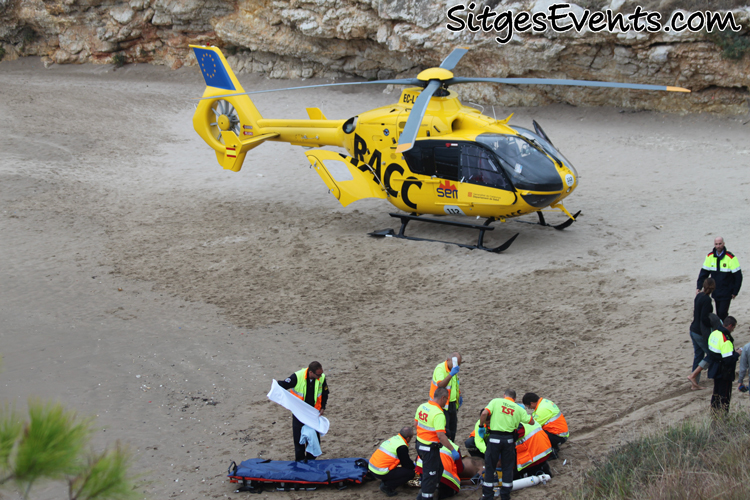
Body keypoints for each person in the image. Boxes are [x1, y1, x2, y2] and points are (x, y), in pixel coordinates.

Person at [479, 389, 533, 500]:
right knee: (507, 468)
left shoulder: (495, 401)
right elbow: (531, 421)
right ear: (515, 399)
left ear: (504, 395)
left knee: (490, 467)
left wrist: (480, 425)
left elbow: (484, 413)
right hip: (509, 440)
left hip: (494, 439)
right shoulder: (518, 408)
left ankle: (487, 496)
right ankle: (505, 495)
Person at [277, 361, 329, 461]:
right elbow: (284, 384)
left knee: (314, 440)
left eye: (321, 373)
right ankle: (300, 462)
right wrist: (275, 384)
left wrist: (323, 407)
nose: (320, 376)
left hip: (313, 413)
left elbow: (325, 393)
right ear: (311, 372)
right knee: (299, 440)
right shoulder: (297, 377)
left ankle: (310, 461)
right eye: (318, 374)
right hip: (299, 414)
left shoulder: (321, 378)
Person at [414, 387, 458, 500]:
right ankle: (426, 496)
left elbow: (416, 424)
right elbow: (441, 436)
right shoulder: (438, 413)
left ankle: (430, 490)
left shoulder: (422, 406)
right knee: (430, 476)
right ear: (442, 398)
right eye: (446, 399)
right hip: (430, 449)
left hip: (420, 444)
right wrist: (452, 449)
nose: (446, 402)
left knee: (439, 469)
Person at [697, 237, 742, 320]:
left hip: (727, 291)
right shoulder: (710, 256)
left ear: (723, 244)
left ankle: (723, 329)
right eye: (716, 244)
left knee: (722, 312)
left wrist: (735, 291)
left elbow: (738, 276)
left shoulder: (730, 257)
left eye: (720, 244)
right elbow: (704, 273)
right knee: (719, 313)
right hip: (715, 291)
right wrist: (699, 287)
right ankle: (723, 328)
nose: (718, 246)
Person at [368, 427, 416, 497]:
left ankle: (386, 480)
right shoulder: (402, 446)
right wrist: (414, 466)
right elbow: (407, 465)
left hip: (372, 467)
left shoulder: (394, 439)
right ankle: (387, 486)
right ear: (408, 438)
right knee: (410, 473)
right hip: (380, 471)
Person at [707, 316, 739, 414]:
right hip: (724, 372)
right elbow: (728, 360)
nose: (733, 329)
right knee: (724, 396)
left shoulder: (714, 333)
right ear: (730, 326)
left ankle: (714, 413)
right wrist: (737, 353)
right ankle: (722, 417)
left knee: (716, 393)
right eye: (733, 327)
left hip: (714, 369)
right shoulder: (726, 340)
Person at [521, 393, 569, 458]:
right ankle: (554, 447)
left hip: (558, 436)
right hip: (560, 433)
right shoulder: (545, 402)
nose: (530, 408)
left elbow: (533, 426)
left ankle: (551, 453)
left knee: (534, 435)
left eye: (528, 407)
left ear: (532, 403)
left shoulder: (542, 410)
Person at [688, 278, 715, 389]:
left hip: (693, 329)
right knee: (712, 355)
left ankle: (695, 384)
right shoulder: (707, 300)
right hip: (700, 332)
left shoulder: (699, 296)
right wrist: (713, 324)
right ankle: (693, 376)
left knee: (698, 355)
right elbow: (704, 318)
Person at [429, 353, 462, 441]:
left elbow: (455, 385)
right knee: (445, 430)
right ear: (448, 360)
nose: (457, 366)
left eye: (459, 364)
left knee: (452, 430)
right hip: (442, 405)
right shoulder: (440, 369)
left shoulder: (453, 368)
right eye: (456, 363)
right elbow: (441, 385)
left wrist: (459, 397)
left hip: (452, 404)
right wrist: (451, 374)